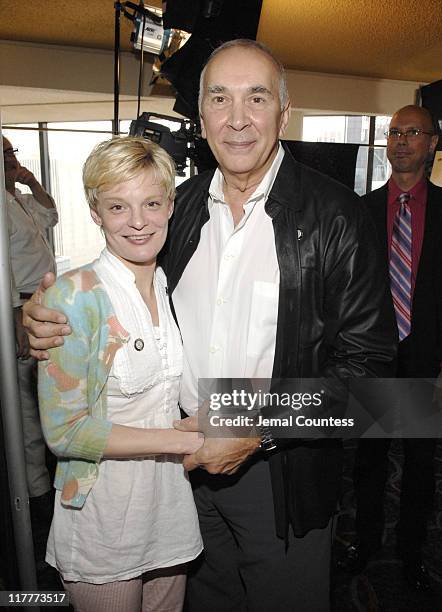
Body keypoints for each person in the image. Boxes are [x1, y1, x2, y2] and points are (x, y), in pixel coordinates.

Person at [24, 40, 396, 611]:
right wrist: (49, 316)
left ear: (284, 111)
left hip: (280, 474)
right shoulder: (181, 206)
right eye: (220, 99)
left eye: (257, 97)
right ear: (201, 117)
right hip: (174, 471)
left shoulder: (338, 216)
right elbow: (120, 290)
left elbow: (371, 378)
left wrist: (250, 428)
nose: (238, 119)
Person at [37, 136, 203, 612]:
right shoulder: (74, 296)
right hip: (103, 519)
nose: (137, 221)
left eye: (151, 202)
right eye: (117, 206)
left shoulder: (175, 284)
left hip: (168, 508)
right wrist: (188, 442)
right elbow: (65, 432)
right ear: (95, 212)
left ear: (170, 204)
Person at [340, 106, 442, 590]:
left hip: (429, 359)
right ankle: (364, 543)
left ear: (432, 143)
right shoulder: (360, 210)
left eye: (413, 132)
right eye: (394, 132)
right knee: (369, 459)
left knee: (422, 464)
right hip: (374, 359)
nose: (401, 140)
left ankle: (410, 554)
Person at [3, 135, 57, 521]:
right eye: (3, 155)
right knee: (26, 414)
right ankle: (34, 499)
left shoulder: (17, 198)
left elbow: (51, 215)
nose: (10, 159)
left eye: (10, 153)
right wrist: (15, 321)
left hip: (41, 303)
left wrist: (31, 182)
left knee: (46, 399)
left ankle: (46, 484)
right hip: (20, 308)